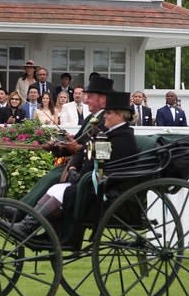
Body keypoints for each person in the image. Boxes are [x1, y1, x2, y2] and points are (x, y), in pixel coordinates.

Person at [8, 91, 138, 241]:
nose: (105, 116)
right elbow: (89, 152)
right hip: (91, 180)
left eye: (109, 113)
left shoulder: (123, 137)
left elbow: (100, 161)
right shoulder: (111, 133)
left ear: (120, 115)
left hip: (105, 187)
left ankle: (29, 226)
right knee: (56, 189)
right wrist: (69, 155)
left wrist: (82, 165)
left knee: (62, 191)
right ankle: (31, 226)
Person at [18, 75, 114, 207]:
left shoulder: (108, 119)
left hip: (86, 169)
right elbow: (76, 141)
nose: (86, 101)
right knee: (50, 176)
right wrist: (58, 146)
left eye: (90, 96)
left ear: (103, 99)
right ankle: (22, 211)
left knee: (51, 178)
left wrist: (76, 148)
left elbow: (97, 146)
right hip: (76, 164)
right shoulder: (91, 118)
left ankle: (21, 212)